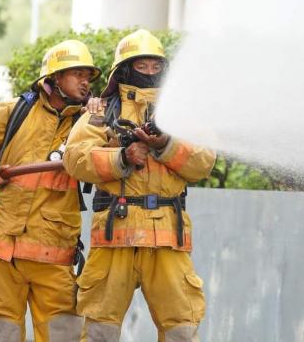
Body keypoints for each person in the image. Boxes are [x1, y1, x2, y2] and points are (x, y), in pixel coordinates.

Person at [63, 29, 216, 342]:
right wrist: (122, 157)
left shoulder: (181, 113)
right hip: (114, 236)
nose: (148, 72)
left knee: (181, 329)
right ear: (124, 70)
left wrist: (165, 146)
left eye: (155, 66)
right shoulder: (102, 111)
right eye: (141, 66)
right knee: (100, 330)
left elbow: (203, 162)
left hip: (167, 239)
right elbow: (75, 158)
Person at [0, 39, 101, 342]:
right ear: (55, 77)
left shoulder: (88, 124)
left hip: (52, 252)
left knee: (62, 334)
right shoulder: (15, 111)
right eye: (77, 73)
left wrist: (98, 117)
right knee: (0, 333)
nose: (85, 81)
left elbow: (106, 156)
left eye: (88, 76)